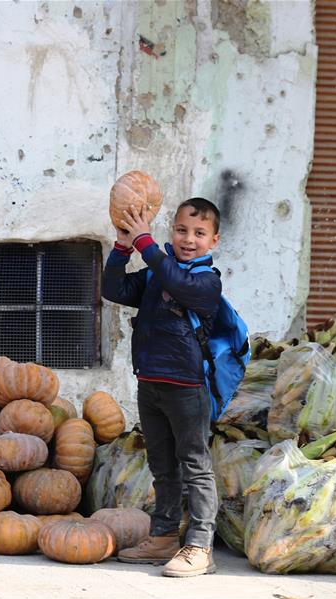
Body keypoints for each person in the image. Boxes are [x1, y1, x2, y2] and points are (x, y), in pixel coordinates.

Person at [101, 197, 222, 577]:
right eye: (182, 230)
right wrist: (123, 247)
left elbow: (178, 282)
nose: (189, 239)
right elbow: (114, 289)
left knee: (195, 466)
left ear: (214, 241)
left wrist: (145, 244)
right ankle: (164, 536)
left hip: (187, 389)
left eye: (199, 233)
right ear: (172, 230)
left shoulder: (206, 282)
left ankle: (200, 547)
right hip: (150, 383)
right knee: (162, 467)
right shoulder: (156, 274)